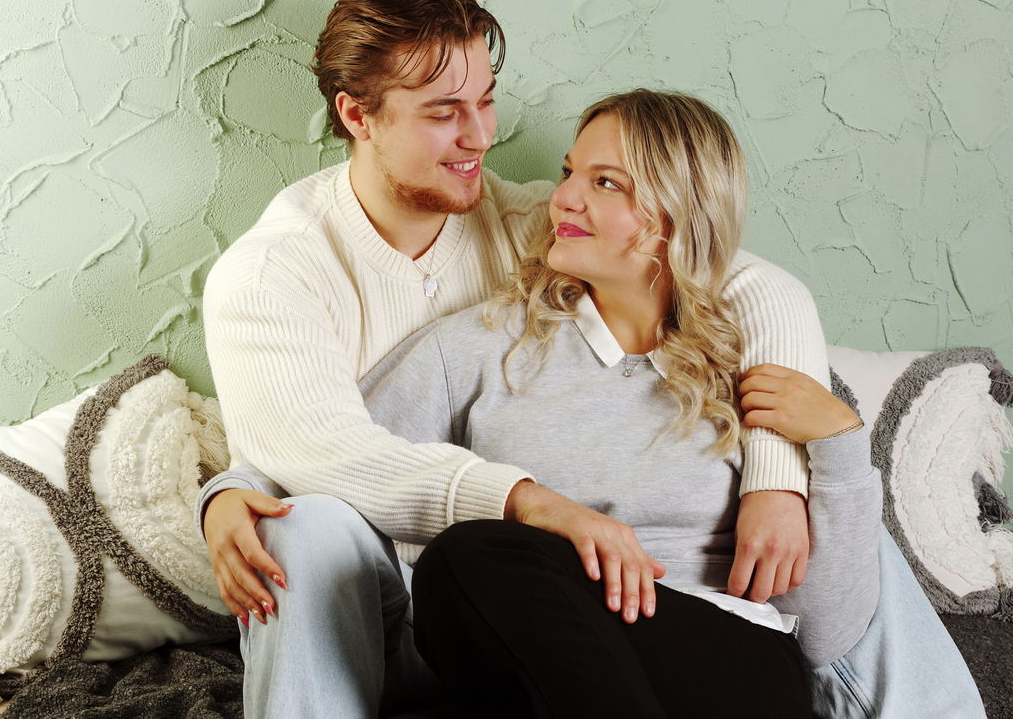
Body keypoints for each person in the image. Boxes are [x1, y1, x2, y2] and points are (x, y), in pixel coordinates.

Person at [199, 0, 830, 718]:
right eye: (444, 112)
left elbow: (735, 275)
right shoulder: (274, 272)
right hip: (401, 597)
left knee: (846, 514)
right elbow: (320, 449)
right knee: (300, 529)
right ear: (358, 115)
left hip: (522, 615)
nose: (480, 135)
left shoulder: (529, 225)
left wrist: (777, 474)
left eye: (486, 100)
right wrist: (230, 490)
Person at [355, 89, 885, 716]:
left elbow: (824, 635)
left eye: (606, 183)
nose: (563, 198)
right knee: (466, 561)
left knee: (469, 563)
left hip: (723, 663)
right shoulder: (480, 346)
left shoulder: (753, 362)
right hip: (545, 651)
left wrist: (842, 445)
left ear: (677, 214)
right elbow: (347, 455)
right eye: (569, 172)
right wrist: (249, 497)